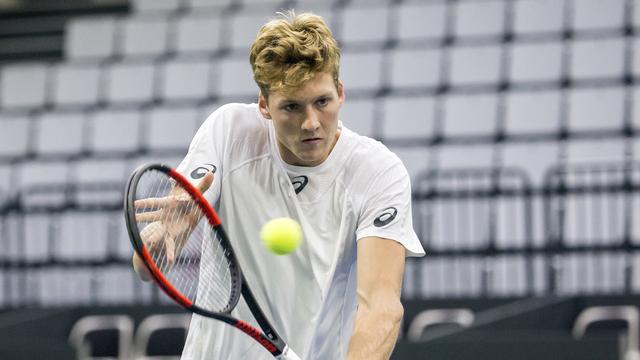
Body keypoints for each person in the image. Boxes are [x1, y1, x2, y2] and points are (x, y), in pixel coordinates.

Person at [132, 10, 425, 360]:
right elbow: (147, 268)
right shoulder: (230, 132)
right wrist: (164, 239)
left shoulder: (378, 172)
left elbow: (381, 307)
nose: (311, 123)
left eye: (322, 102)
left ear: (341, 93)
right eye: (291, 107)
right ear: (264, 106)